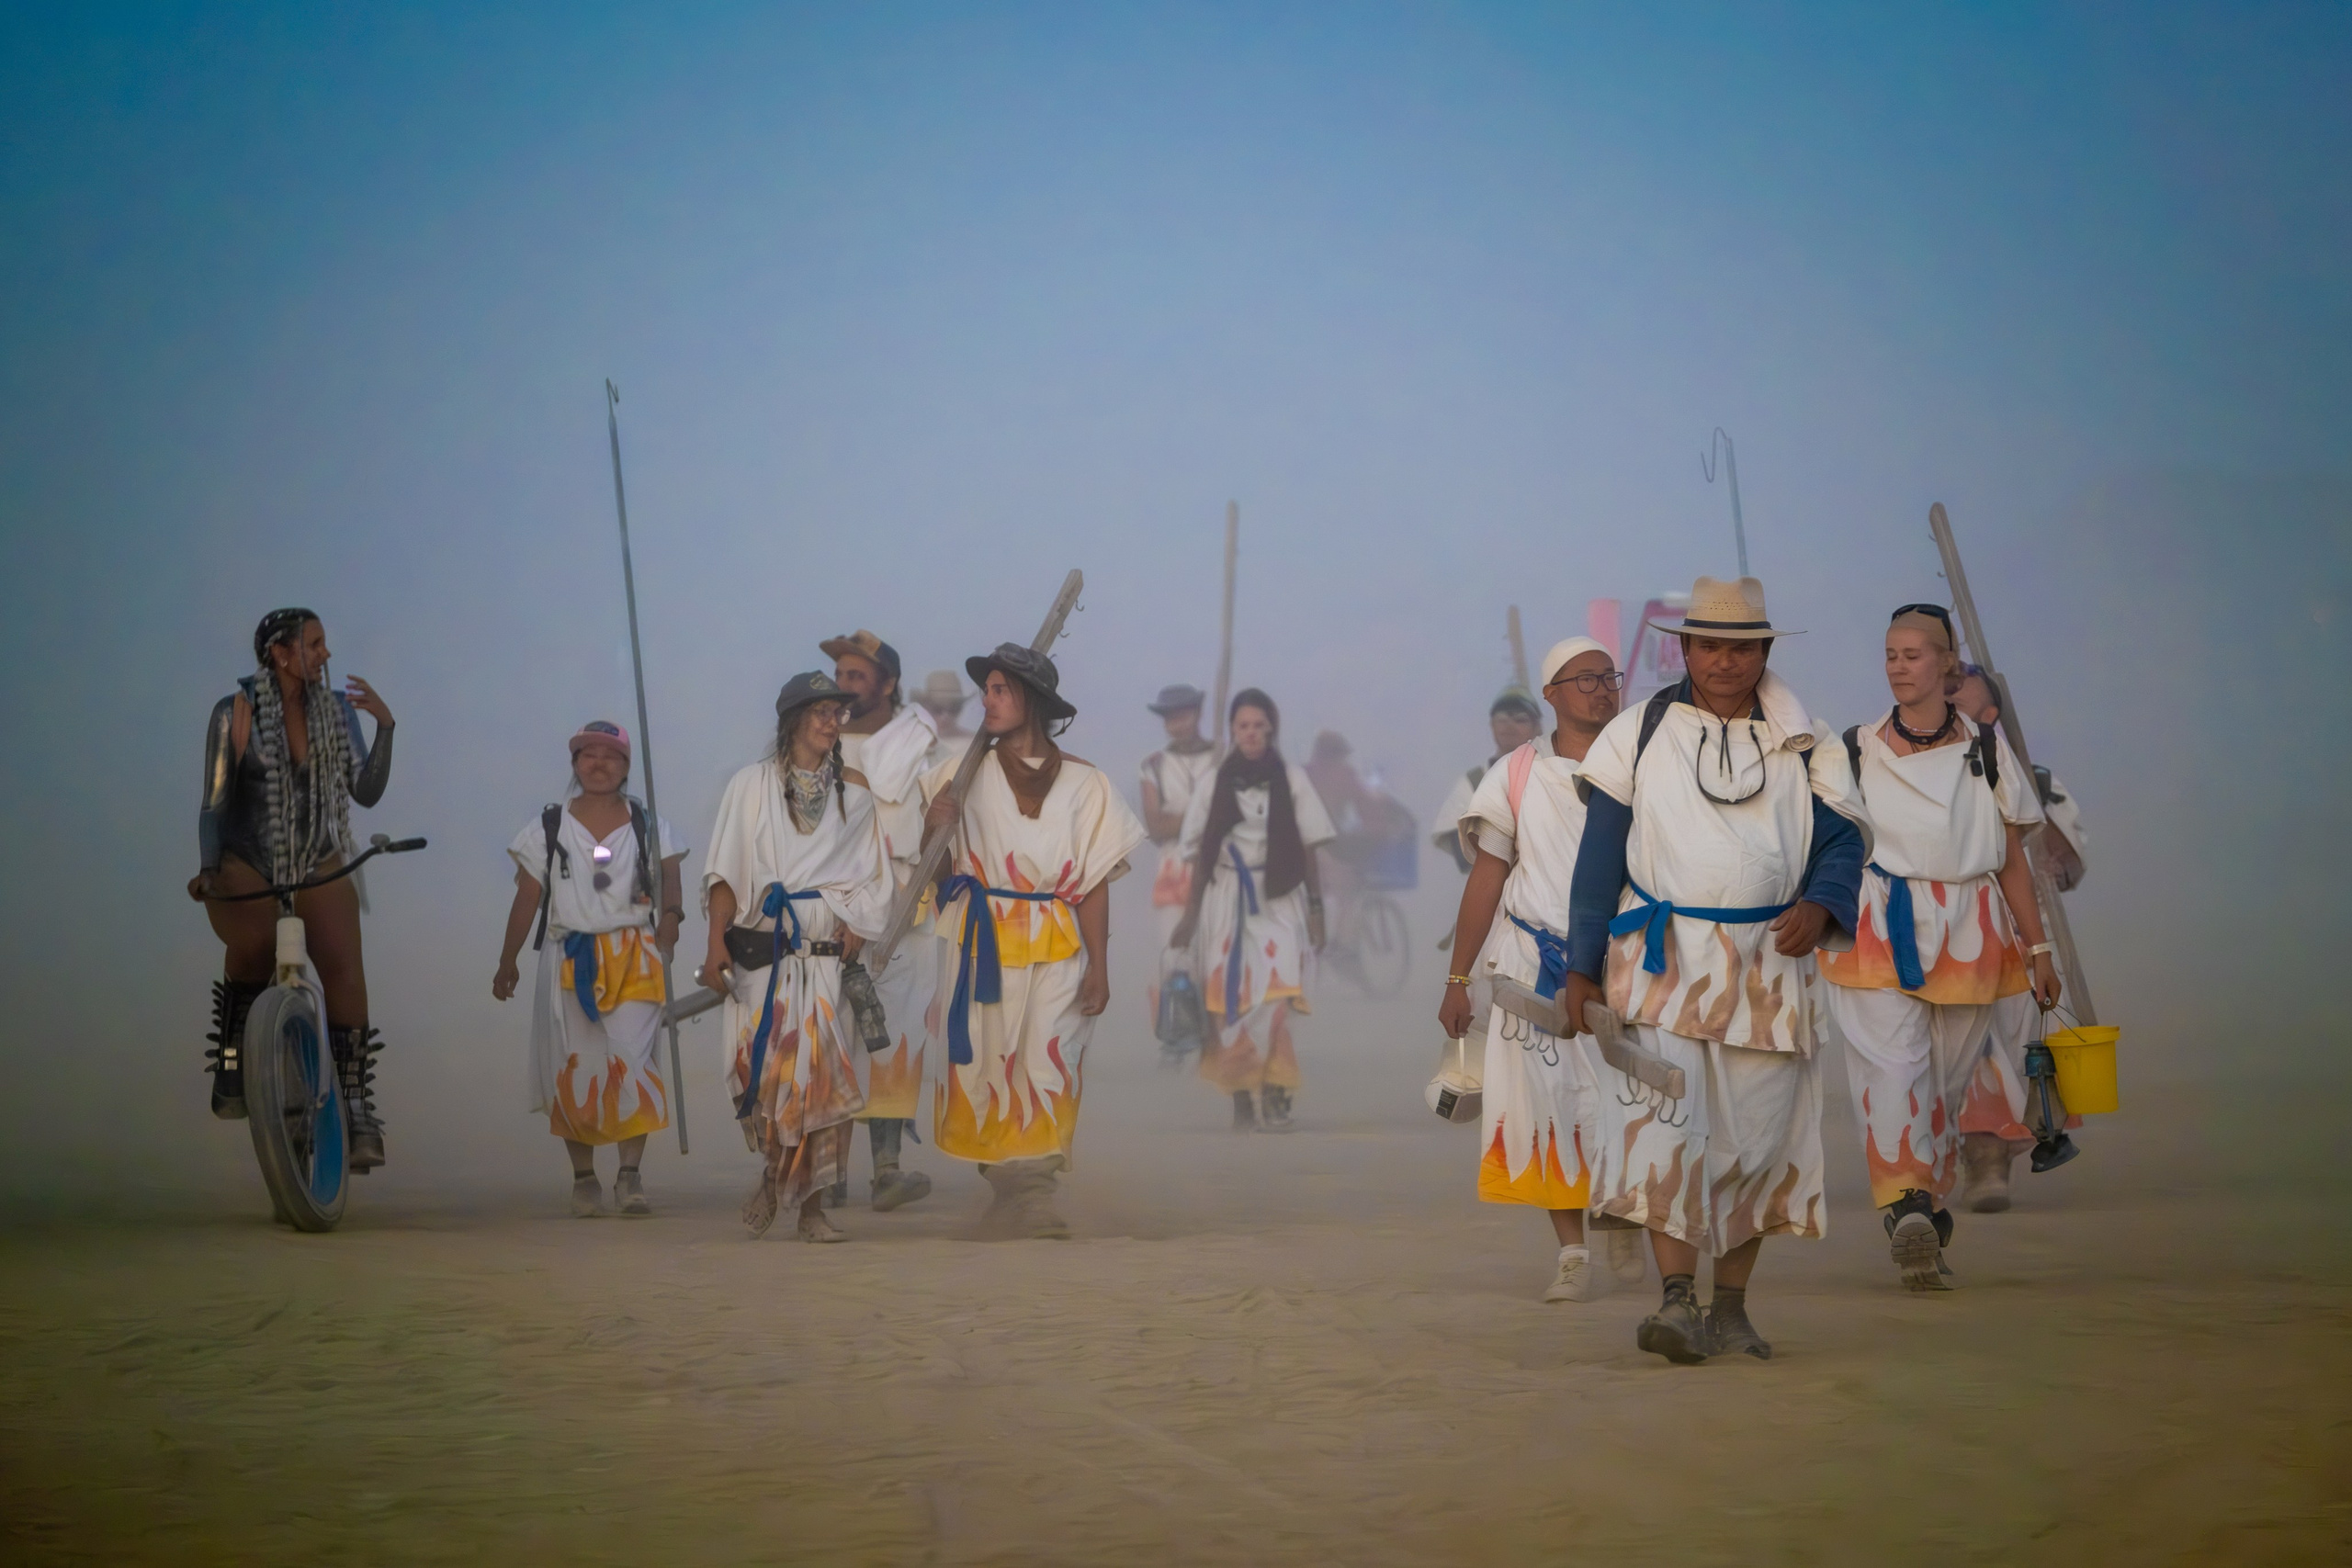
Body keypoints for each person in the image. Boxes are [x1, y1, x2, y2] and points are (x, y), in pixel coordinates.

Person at [1562, 576, 1866, 1364]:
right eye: (1708, 646)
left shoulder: (1807, 738)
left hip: (1770, 966)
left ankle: (1731, 1308)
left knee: (1756, 1140)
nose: (1724, 661)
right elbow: (1598, 860)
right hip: (1661, 964)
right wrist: (1580, 967)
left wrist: (1823, 904)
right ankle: (1677, 1300)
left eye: (1740, 648)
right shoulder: (1636, 733)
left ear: (1763, 651)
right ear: (1685, 650)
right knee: (1665, 1128)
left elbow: (1841, 840)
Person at [1817, 609, 2059, 1289]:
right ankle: (1909, 1209)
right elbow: (1826, 841)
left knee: (1941, 1088)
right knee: (1893, 1071)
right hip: (1880, 923)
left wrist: (2039, 948)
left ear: (1947, 662)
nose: (1898, 666)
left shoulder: (1986, 749)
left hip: (1970, 928)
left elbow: (2011, 858)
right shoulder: (1854, 749)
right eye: (1890, 654)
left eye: (1914, 654)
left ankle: (1925, 1202)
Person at [1437, 640, 1645, 1302]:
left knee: (1629, 1094)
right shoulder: (1515, 774)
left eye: (1609, 676)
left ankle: (1622, 1205)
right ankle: (1572, 1252)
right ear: (1551, 694)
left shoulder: (1644, 759)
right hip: (1533, 963)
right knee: (1547, 1105)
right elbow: (1487, 875)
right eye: (1584, 679)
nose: (1601, 688)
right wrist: (1458, 979)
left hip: (1627, 959)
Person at [918, 644, 1147, 1237]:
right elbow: (936, 878)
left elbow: (1093, 883)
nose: (987, 701)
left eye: (1000, 690)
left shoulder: (1088, 784)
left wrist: (1099, 966)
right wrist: (934, 828)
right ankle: (1009, 1191)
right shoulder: (957, 777)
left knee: (1051, 1060)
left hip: (1057, 943)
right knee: (986, 1067)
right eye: (985, 690)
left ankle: (1037, 1193)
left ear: (1034, 701)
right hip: (981, 943)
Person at [191, 608, 396, 1167]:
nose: (325, 654)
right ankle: (233, 1056)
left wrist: (386, 727)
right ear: (280, 654)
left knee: (345, 966)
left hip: (316, 857)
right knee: (252, 944)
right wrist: (209, 870)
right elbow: (214, 804)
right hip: (249, 858)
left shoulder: (336, 711)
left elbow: (365, 792)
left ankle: (355, 1106)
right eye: (314, 644)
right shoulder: (233, 713)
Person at [701, 673, 894, 1241]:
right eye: (821, 712)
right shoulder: (750, 785)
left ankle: (811, 1212)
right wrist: (714, 944)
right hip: (764, 957)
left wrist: (856, 922)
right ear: (792, 720)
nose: (833, 723)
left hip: (825, 960)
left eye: (838, 713)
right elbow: (726, 870)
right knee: (768, 1080)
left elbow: (872, 877)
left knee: (820, 1087)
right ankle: (772, 1172)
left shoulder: (855, 795)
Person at [491, 722, 687, 1217]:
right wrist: (508, 959)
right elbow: (528, 895)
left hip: (635, 951)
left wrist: (670, 920)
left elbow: (670, 877)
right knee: (576, 1065)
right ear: (575, 763)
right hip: (569, 953)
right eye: (588, 755)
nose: (599, 764)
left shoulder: (648, 823)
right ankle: (583, 1178)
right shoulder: (549, 826)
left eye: (611, 756)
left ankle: (630, 1175)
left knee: (634, 1062)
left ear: (626, 766)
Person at [1945, 662, 2090, 1211]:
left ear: (1989, 714)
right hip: (1946, 940)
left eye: (1958, 697)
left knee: (2011, 1055)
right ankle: (1963, 1162)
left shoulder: (2036, 781)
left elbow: (2068, 869)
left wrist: (2032, 804)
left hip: (2024, 945)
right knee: (1960, 1055)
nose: (1946, 703)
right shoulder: (1902, 771)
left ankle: (1992, 1160)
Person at [1170, 690, 1335, 1132]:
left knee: (1279, 993)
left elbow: (1309, 846)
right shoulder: (1215, 782)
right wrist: (1190, 916)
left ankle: (1277, 1091)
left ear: (1271, 729)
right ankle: (1242, 1093)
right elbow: (1199, 851)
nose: (1251, 734)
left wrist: (1316, 909)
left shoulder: (1292, 779)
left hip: (1280, 896)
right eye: (1243, 726)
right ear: (1232, 730)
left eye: (1259, 726)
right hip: (1227, 899)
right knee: (1233, 999)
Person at [822, 629, 938, 1212]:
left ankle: (887, 1170)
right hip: (832, 902)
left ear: (888, 683)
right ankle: (829, 1173)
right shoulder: (817, 742)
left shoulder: (918, 745)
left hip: (905, 905)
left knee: (896, 1035)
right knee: (831, 1036)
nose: (844, 686)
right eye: (839, 675)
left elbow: (940, 825)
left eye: (857, 675)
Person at [1137, 682, 1219, 1021]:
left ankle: (1222, 1030)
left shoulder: (1223, 759)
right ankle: (1179, 1027)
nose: (1176, 723)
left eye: (1183, 715)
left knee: (1219, 952)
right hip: (1175, 870)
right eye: (1170, 718)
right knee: (1176, 953)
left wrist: (1183, 819)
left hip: (1221, 866)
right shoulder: (1154, 766)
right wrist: (1206, 815)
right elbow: (1156, 827)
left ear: (1197, 714)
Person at [1430, 689, 1544, 875]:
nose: (1509, 726)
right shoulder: (1474, 782)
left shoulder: (1551, 773)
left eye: (1520, 720)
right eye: (1502, 720)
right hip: (1495, 885)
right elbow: (1461, 849)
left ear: (1537, 726)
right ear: (1492, 725)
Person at [912, 669, 974, 773]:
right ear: (926, 708)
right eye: (937, 709)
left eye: (953, 709)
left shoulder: (973, 744)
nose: (945, 717)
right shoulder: (912, 743)